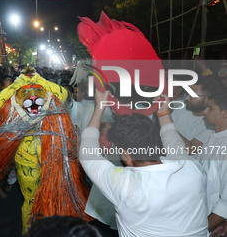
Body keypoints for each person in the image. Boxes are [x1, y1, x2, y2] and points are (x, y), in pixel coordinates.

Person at [79, 89, 208, 236]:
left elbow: (87, 152)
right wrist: (163, 113)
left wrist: (99, 107)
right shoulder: (192, 169)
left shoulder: (126, 185)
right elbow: (174, 142)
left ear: (125, 155)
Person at [200, 91, 227, 231]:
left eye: (210, 108)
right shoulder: (213, 137)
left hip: (210, 221)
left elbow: (226, 203)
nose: (204, 111)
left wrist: (199, 231)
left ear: (225, 113)